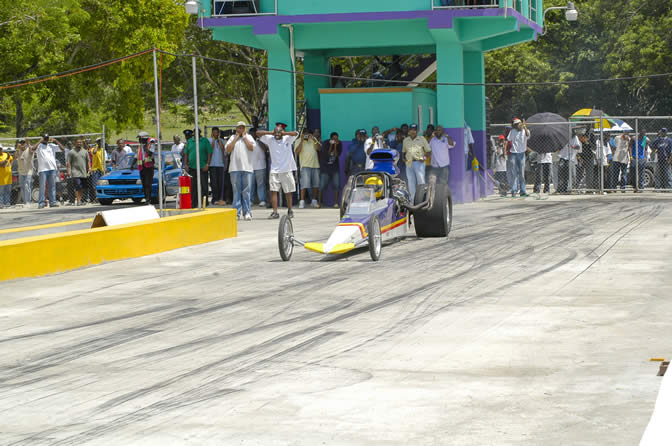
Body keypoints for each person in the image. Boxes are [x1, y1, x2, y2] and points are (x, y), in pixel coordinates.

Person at [256, 123, 299, 219]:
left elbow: (296, 133)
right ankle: (275, 212)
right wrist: (272, 132)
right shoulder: (270, 139)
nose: (277, 134)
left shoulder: (288, 138)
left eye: (279, 132)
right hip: (274, 170)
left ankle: (290, 210)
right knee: (274, 191)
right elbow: (258, 133)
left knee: (288, 192)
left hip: (286, 169)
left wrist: (283, 133)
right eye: (276, 132)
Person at [225, 121, 255, 220]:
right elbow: (228, 149)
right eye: (239, 128)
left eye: (242, 128)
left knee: (246, 192)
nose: (241, 130)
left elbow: (251, 147)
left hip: (247, 168)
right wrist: (236, 138)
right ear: (236, 129)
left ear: (245, 129)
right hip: (234, 168)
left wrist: (244, 137)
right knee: (236, 192)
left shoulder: (249, 137)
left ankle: (247, 212)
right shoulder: (232, 138)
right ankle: (236, 213)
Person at [31, 134, 64, 208]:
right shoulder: (39, 146)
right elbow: (33, 149)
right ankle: (41, 203)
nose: (46, 139)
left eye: (47, 138)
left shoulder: (51, 145)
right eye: (45, 138)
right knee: (42, 187)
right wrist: (40, 140)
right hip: (43, 169)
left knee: (52, 186)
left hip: (52, 168)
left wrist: (56, 141)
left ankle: (53, 202)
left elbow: (62, 149)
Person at [183, 128, 213, 208]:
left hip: (202, 167)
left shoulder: (204, 141)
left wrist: (207, 164)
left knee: (204, 186)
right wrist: (185, 164)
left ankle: (205, 203)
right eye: (195, 132)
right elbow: (186, 153)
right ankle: (194, 203)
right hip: (192, 167)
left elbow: (210, 152)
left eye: (198, 132)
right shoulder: (189, 141)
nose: (196, 134)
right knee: (193, 186)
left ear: (200, 133)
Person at [402, 123, 431, 201]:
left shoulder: (422, 139)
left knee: (421, 181)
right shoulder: (406, 140)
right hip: (409, 163)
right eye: (411, 130)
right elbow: (403, 152)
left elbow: (428, 151)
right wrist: (403, 159)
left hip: (419, 163)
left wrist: (424, 158)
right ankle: (413, 200)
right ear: (409, 131)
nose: (413, 132)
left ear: (417, 131)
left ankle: (422, 199)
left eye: (414, 130)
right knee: (411, 182)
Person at [294, 128, 321, 208]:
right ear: (302, 134)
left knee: (315, 184)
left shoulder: (313, 140)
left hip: (315, 165)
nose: (306, 135)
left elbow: (319, 148)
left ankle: (314, 201)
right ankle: (302, 201)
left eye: (307, 133)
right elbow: (297, 152)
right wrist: (302, 140)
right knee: (304, 184)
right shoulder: (298, 140)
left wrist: (314, 139)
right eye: (304, 133)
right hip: (305, 165)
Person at [506, 118, 530, 197]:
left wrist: (525, 126)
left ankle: (523, 191)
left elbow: (527, 135)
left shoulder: (525, 131)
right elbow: (508, 139)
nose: (518, 125)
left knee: (522, 174)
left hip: (522, 154)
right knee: (514, 173)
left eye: (519, 124)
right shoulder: (512, 131)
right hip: (513, 153)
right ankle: (514, 190)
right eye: (516, 124)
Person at [319, 132, 342, 208]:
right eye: (334, 138)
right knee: (322, 185)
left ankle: (335, 203)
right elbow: (327, 154)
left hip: (335, 168)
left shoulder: (339, 144)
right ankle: (319, 202)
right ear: (331, 138)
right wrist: (331, 145)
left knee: (336, 185)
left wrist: (335, 146)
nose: (335, 140)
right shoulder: (325, 143)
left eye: (337, 138)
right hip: (325, 168)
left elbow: (336, 155)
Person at [67, 139, 90, 206]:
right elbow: (68, 162)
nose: (79, 143)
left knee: (82, 187)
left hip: (83, 172)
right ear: (75, 143)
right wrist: (68, 171)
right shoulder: (71, 152)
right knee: (78, 186)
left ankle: (80, 199)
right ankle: (78, 201)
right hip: (75, 172)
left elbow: (88, 161)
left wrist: (90, 168)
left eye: (80, 142)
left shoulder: (85, 151)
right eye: (78, 142)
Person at [249, 127, 268, 207]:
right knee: (250, 185)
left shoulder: (262, 141)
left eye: (254, 133)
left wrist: (258, 140)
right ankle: (250, 200)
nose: (253, 135)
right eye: (251, 134)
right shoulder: (247, 142)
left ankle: (262, 200)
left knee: (261, 184)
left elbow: (265, 149)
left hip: (261, 166)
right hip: (249, 167)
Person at [209, 127, 228, 206]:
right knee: (214, 183)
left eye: (217, 132)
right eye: (214, 132)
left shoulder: (222, 141)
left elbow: (223, 149)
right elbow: (211, 149)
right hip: (212, 165)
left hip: (220, 165)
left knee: (220, 183)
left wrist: (219, 140)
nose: (215, 134)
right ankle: (214, 199)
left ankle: (221, 198)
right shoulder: (209, 140)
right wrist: (213, 140)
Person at [136, 131, 155, 204]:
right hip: (142, 167)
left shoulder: (151, 144)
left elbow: (151, 153)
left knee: (148, 183)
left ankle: (148, 199)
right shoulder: (139, 146)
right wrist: (132, 165)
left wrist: (145, 147)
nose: (139, 140)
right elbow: (136, 155)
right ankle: (146, 198)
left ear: (144, 139)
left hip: (149, 167)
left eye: (140, 139)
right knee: (144, 184)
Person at [89, 137, 106, 203]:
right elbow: (94, 152)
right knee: (95, 184)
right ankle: (96, 197)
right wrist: (96, 145)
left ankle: (102, 196)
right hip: (95, 169)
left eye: (101, 142)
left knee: (102, 183)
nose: (100, 143)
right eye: (98, 141)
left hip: (102, 169)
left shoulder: (103, 150)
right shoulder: (93, 149)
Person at [17, 139, 33, 205]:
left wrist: (28, 143)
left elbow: (32, 151)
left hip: (28, 171)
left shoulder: (28, 149)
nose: (22, 144)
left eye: (23, 143)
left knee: (27, 186)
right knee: (22, 187)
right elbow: (15, 156)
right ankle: (24, 201)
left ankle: (28, 201)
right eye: (21, 143)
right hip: (21, 171)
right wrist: (17, 148)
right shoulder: (19, 151)